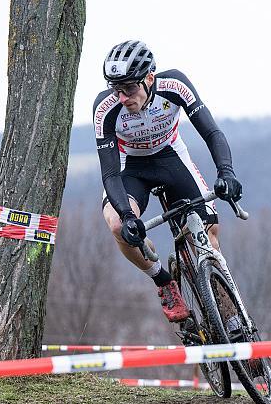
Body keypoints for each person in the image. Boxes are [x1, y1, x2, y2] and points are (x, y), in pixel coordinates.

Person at [93, 40, 242, 323]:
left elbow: (212, 133)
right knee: (117, 224)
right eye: (117, 89)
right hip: (130, 166)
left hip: (171, 156)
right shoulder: (105, 108)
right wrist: (127, 215)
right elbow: (110, 174)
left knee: (208, 234)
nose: (123, 97)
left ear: (150, 78)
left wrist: (226, 172)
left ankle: (233, 319)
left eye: (130, 88)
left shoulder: (174, 85)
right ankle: (163, 281)